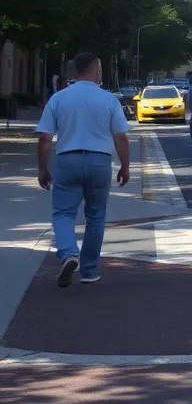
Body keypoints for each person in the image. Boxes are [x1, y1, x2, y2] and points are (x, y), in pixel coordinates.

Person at [35, 53, 131, 287]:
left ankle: (69, 253)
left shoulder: (59, 98)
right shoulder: (109, 99)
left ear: (75, 71)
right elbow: (121, 137)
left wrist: (42, 169)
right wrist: (125, 166)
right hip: (100, 161)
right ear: (96, 71)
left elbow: (45, 138)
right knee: (96, 216)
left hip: (68, 160)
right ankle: (89, 271)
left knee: (63, 213)